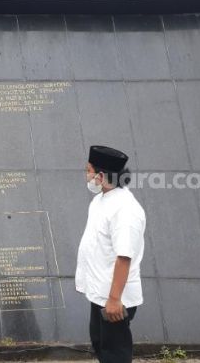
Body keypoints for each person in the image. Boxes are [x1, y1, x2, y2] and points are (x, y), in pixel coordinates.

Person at [76, 145, 146, 363]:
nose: (86, 175)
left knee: (115, 354)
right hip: (100, 293)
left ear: (101, 175)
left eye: (88, 170)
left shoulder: (125, 210)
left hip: (115, 298)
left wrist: (115, 299)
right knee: (100, 343)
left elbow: (124, 257)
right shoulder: (101, 200)